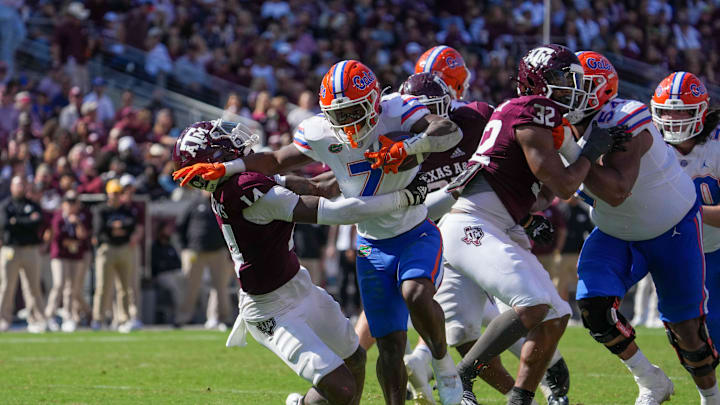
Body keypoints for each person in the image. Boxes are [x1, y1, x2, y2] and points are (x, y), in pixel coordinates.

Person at [174, 60, 465, 405]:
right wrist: (408, 195)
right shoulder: (248, 186)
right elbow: (336, 208)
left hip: (316, 276)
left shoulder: (397, 110)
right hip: (293, 291)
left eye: (352, 111)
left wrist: (412, 147)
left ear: (374, 100)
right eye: (337, 115)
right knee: (360, 370)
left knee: (363, 352)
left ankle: (442, 363)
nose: (345, 123)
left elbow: (449, 132)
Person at [441, 44, 629, 405]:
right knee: (531, 304)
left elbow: (542, 194)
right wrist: (588, 153)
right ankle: (463, 374)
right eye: (562, 78)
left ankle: (521, 398)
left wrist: (584, 152)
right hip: (473, 223)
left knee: (556, 315)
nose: (570, 86)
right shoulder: (533, 108)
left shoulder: (530, 114)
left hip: (494, 221)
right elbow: (563, 184)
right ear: (537, 80)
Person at [563, 52, 718, 405]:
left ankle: (711, 397)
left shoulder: (624, 116)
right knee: (593, 307)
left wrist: (573, 154)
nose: (564, 95)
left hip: (673, 229)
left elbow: (617, 191)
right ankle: (650, 380)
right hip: (616, 232)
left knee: (686, 330)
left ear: (600, 90)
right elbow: (554, 190)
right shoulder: (553, 126)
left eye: (574, 86)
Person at [652, 72, 720, 352]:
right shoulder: (648, 145)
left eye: (682, 112)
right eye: (667, 112)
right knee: (684, 330)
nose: (672, 120)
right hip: (672, 248)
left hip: (715, 248)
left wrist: (690, 211)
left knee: (714, 329)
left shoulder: (716, 147)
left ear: (700, 112)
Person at [176, 191, 234, 330]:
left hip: (218, 251)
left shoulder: (221, 203)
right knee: (190, 286)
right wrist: (184, 248)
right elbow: (180, 226)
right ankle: (183, 318)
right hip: (195, 251)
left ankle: (219, 317)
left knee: (220, 286)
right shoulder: (195, 204)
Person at [91, 179, 142, 332]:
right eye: (114, 193)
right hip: (107, 249)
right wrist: (117, 227)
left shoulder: (126, 210)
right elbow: (100, 229)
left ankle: (124, 318)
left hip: (124, 249)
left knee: (125, 287)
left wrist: (118, 227)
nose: (116, 196)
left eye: (119, 193)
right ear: (108, 193)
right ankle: (98, 318)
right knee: (103, 287)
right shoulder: (102, 209)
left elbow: (131, 225)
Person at [0, 176, 48, 333]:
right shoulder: (6, 205)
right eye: (17, 184)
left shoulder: (32, 205)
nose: (20, 187)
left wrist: (17, 222)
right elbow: (6, 224)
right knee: (7, 285)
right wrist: (25, 222)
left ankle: (36, 319)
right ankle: (3, 319)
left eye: (22, 184)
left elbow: (37, 222)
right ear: (12, 187)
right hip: (11, 250)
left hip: (30, 250)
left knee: (33, 286)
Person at [44, 190, 90, 332]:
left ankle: (68, 317)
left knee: (71, 288)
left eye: (74, 203)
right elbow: (58, 238)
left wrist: (77, 223)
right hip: (60, 255)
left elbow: (83, 236)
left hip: (76, 256)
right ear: (63, 204)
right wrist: (71, 242)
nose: (71, 206)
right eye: (69, 203)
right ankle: (49, 316)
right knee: (58, 284)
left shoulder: (82, 217)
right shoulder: (58, 217)